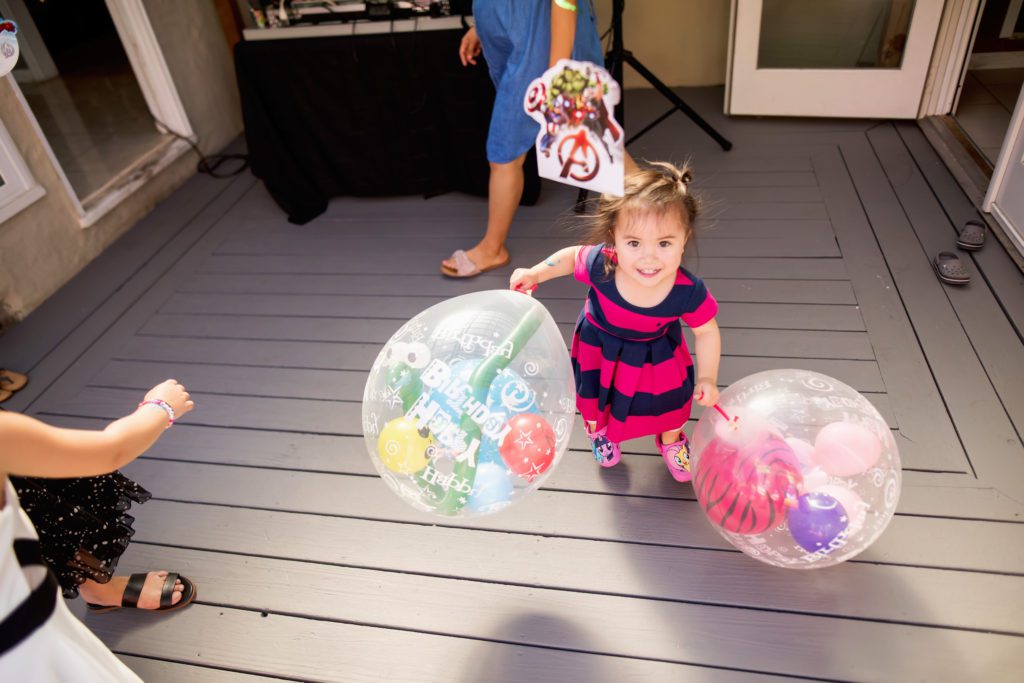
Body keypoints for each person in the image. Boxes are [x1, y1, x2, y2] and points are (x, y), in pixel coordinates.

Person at [509, 162, 721, 481]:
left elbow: (706, 330)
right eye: (634, 243)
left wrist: (707, 378)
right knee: (596, 400)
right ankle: (601, 434)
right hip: (601, 349)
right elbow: (570, 257)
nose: (649, 257)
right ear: (614, 239)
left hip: (656, 354)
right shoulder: (602, 265)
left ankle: (671, 440)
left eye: (664, 243)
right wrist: (536, 272)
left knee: (671, 404)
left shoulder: (686, 291)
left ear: (684, 237)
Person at [0, 379, 193, 679]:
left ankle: (97, 587)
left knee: (32, 498)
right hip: (26, 640)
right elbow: (110, 451)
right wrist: (161, 406)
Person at [442, 0, 638, 278]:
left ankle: (491, 247)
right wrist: (483, 25)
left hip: (546, 39)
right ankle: (661, 207)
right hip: (522, 36)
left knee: (578, 137)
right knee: (589, 134)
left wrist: (555, 73)